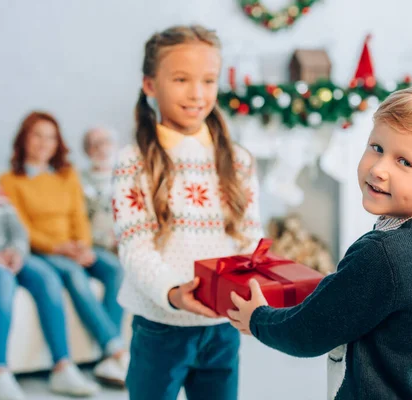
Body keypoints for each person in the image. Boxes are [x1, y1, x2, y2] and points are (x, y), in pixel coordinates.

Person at [228, 84, 412, 400]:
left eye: (404, 162)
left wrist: (258, 319)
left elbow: (310, 333)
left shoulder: (382, 254)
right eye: (377, 147)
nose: (379, 169)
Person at [112, 25, 263, 400]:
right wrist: (174, 292)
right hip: (160, 326)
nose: (197, 93)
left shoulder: (239, 161)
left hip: (222, 326)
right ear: (150, 84)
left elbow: (251, 239)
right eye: (181, 79)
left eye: (208, 80)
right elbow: (135, 248)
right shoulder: (134, 162)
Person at [0, 125, 99, 399]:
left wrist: (17, 252)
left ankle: (62, 366)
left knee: (45, 277)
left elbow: (16, 226)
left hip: (6, 254)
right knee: (0, 277)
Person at [0, 112, 128, 386]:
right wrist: (60, 248)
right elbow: (22, 229)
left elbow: (78, 215)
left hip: (76, 246)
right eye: (37, 135)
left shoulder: (67, 175)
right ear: (24, 139)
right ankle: (116, 348)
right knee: (72, 273)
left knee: (114, 269)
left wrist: (82, 246)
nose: (44, 143)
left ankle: (106, 359)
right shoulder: (9, 181)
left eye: (51, 137)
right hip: (43, 251)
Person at [81, 126, 118, 252]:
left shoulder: (131, 177)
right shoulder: (78, 181)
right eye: (95, 144)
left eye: (106, 141)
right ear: (86, 151)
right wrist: (106, 239)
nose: (102, 148)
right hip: (97, 246)